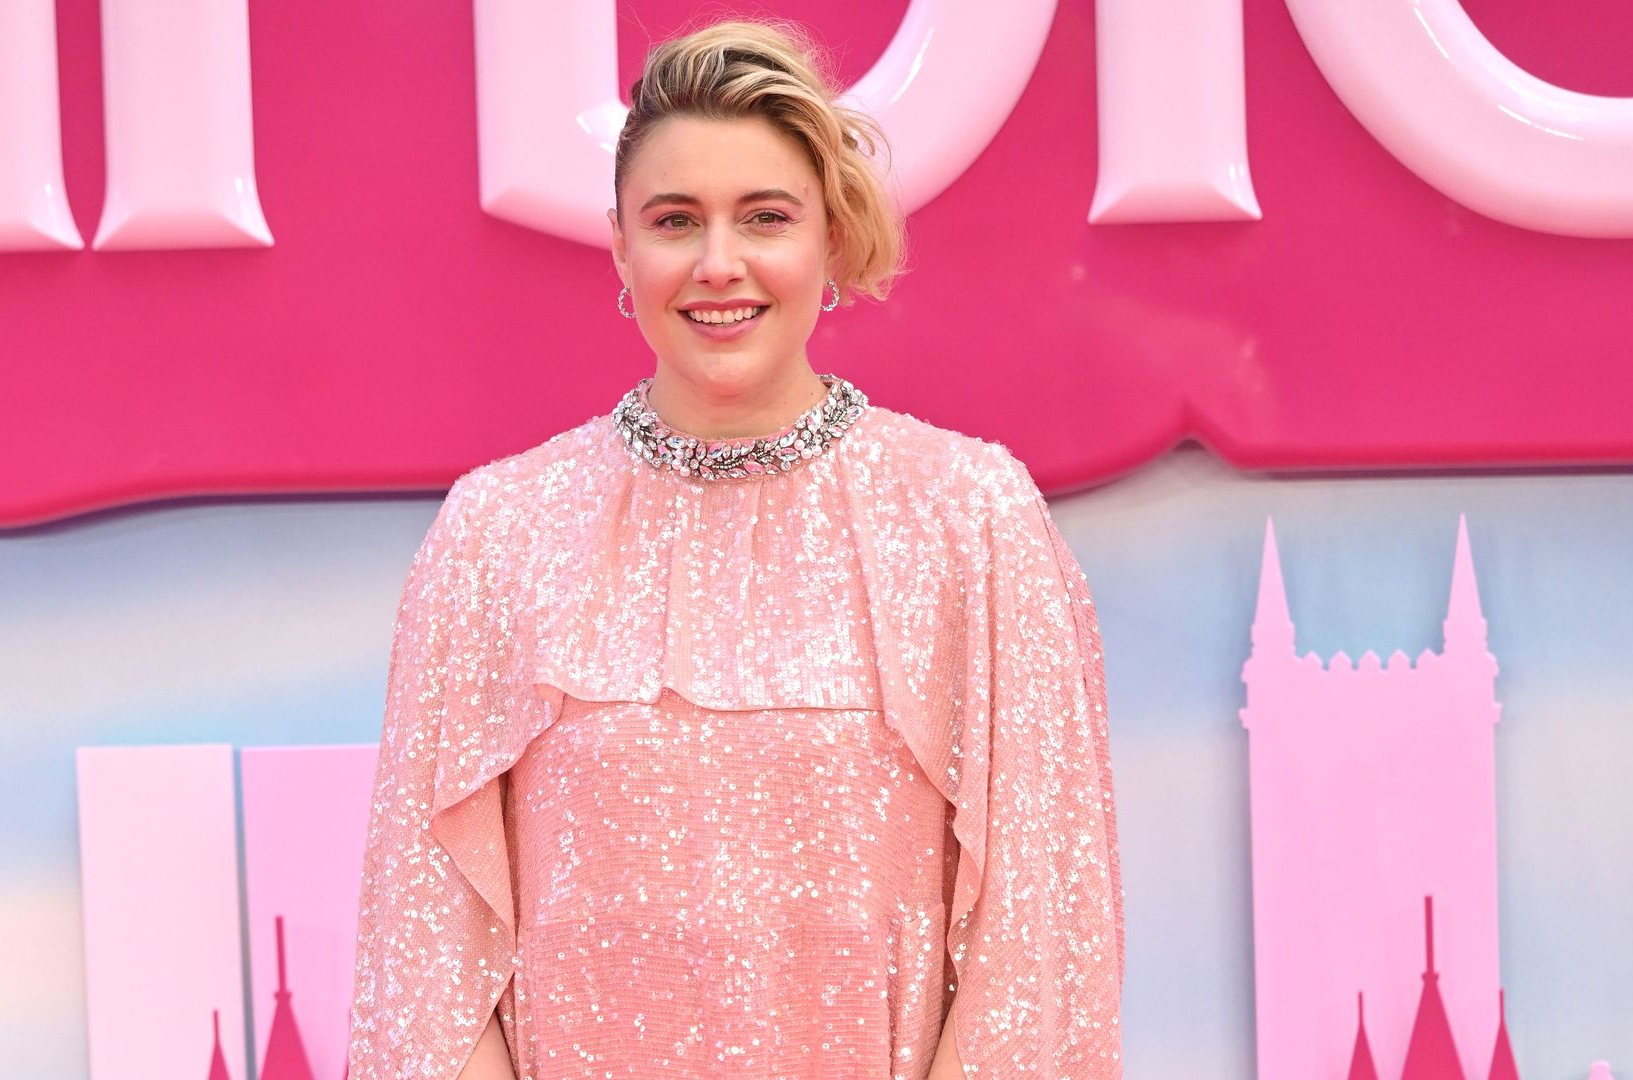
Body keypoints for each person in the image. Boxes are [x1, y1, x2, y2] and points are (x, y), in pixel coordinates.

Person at [347, 18, 1122, 1079]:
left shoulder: (970, 519)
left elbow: (1039, 938)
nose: (720, 264)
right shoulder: (497, 533)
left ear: (830, 238)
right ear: (621, 246)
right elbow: (423, 954)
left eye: (765, 217)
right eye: (676, 220)